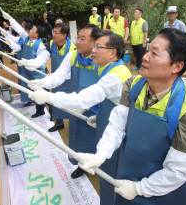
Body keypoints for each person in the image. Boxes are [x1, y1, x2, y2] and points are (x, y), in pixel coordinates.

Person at [78, 28, 186, 205]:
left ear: (177, 66)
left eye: (154, 54)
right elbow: (118, 125)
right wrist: (101, 154)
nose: (145, 57)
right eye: (147, 50)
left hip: (163, 190)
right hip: (128, 171)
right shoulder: (133, 85)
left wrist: (139, 188)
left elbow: (177, 171)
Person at [29, 30, 132, 183]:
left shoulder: (113, 76)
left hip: (119, 129)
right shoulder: (110, 68)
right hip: (110, 120)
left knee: (112, 167)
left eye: (98, 47)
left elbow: (83, 99)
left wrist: (48, 96)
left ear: (112, 53)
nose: (93, 50)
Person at [26, 24, 101, 179]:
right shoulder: (73, 55)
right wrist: (44, 83)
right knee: (78, 135)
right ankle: (81, 164)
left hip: (97, 109)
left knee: (100, 138)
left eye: (82, 38)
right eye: (77, 37)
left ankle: (100, 164)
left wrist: (90, 105)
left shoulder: (102, 60)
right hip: (76, 106)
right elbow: (59, 75)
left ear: (95, 42)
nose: (78, 42)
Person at [2, 11, 50, 118]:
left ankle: (41, 109)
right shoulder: (27, 38)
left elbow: (41, 60)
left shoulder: (40, 46)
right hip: (28, 70)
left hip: (37, 72)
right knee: (29, 88)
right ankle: (32, 102)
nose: (29, 30)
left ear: (37, 34)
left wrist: (31, 64)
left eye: (32, 30)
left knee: (40, 90)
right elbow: (19, 28)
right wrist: (10, 19)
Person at [32, 23, 76, 131]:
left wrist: (58, 77)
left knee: (70, 102)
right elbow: (44, 57)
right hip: (55, 79)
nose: (53, 35)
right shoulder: (52, 44)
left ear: (64, 35)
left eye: (56, 33)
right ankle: (59, 122)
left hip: (68, 80)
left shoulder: (72, 48)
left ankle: (74, 125)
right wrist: (33, 63)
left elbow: (71, 70)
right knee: (56, 102)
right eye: (53, 32)